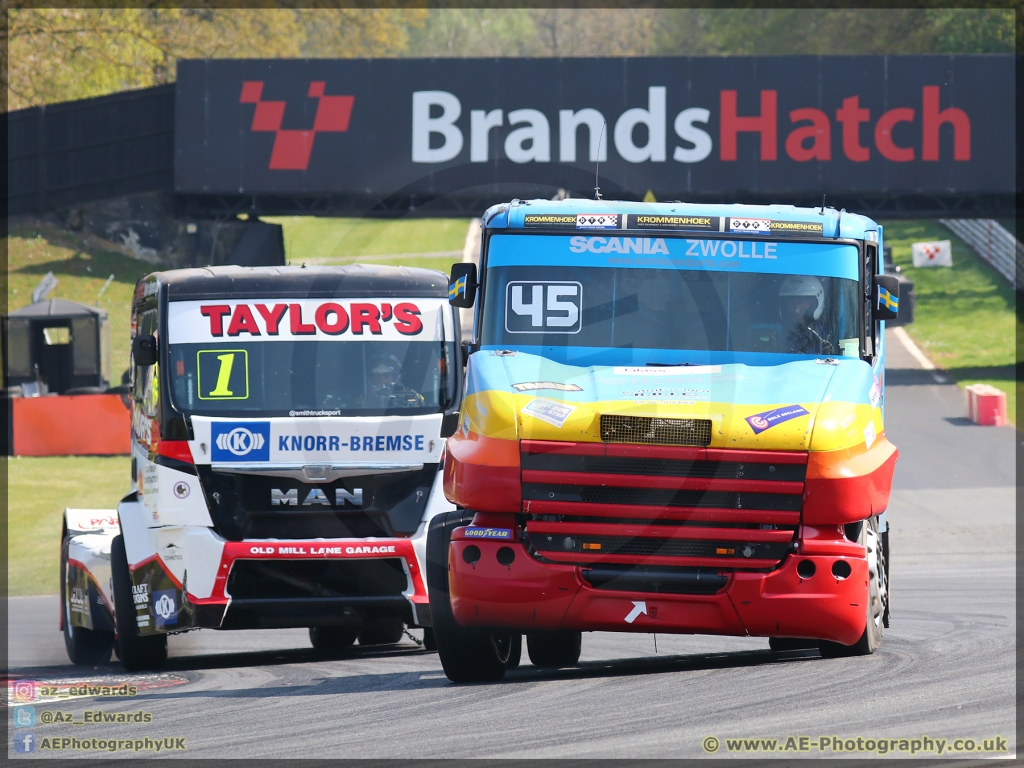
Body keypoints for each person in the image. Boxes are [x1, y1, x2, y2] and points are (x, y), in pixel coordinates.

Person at [778, 276, 833, 355]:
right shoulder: (778, 331)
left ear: (813, 302)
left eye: (802, 303)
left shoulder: (827, 332)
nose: (796, 308)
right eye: (791, 302)